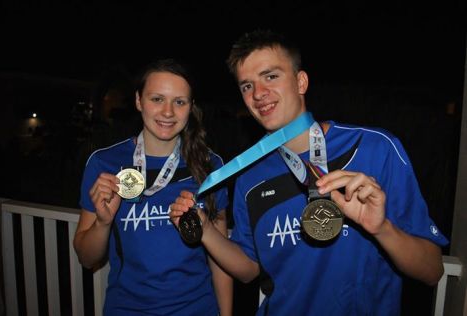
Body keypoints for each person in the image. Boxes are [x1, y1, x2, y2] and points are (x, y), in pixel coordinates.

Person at [169, 29, 448, 315]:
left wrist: (381, 228)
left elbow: (432, 270)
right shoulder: (250, 176)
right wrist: (204, 230)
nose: (259, 94)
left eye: (271, 76)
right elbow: (248, 270)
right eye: (246, 86)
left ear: (300, 81)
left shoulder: (374, 149)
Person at [73, 58, 233, 315]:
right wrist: (102, 223)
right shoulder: (104, 163)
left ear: (190, 107)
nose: (168, 112)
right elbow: (86, 258)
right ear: (138, 101)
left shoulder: (210, 165)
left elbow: (221, 259)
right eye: (157, 99)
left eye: (179, 102)